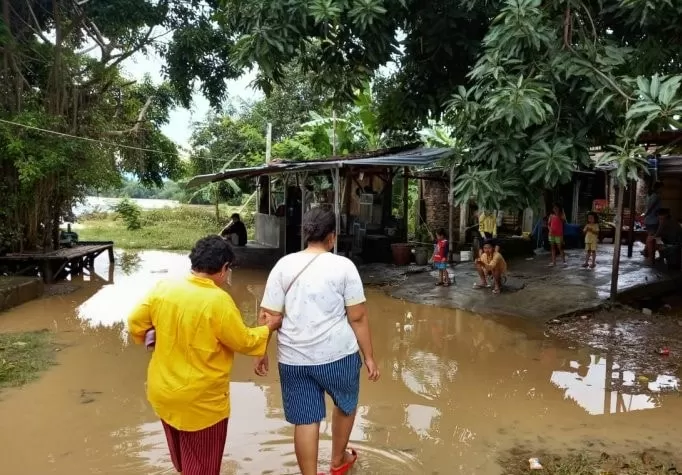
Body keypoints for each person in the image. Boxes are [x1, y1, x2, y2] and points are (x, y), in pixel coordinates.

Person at [127, 235, 282, 475]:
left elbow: (135, 323)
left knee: (184, 461)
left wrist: (158, 333)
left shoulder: (164, 288)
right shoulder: (218, 301)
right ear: (223, 269)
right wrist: (270, 327)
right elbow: (244, 341)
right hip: (201, 402)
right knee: (203, 468)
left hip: (164, 392)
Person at [255, 207, 380, 475]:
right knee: (345, 405)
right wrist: (369, 357)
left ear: (305, 234)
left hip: (293, 359)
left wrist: (260, 351)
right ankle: (337, 461)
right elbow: (357, 318)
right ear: (332, 237)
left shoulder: (283, 265)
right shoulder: (344, 267)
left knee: (306, 420)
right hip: (338, 356)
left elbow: (268, 315)